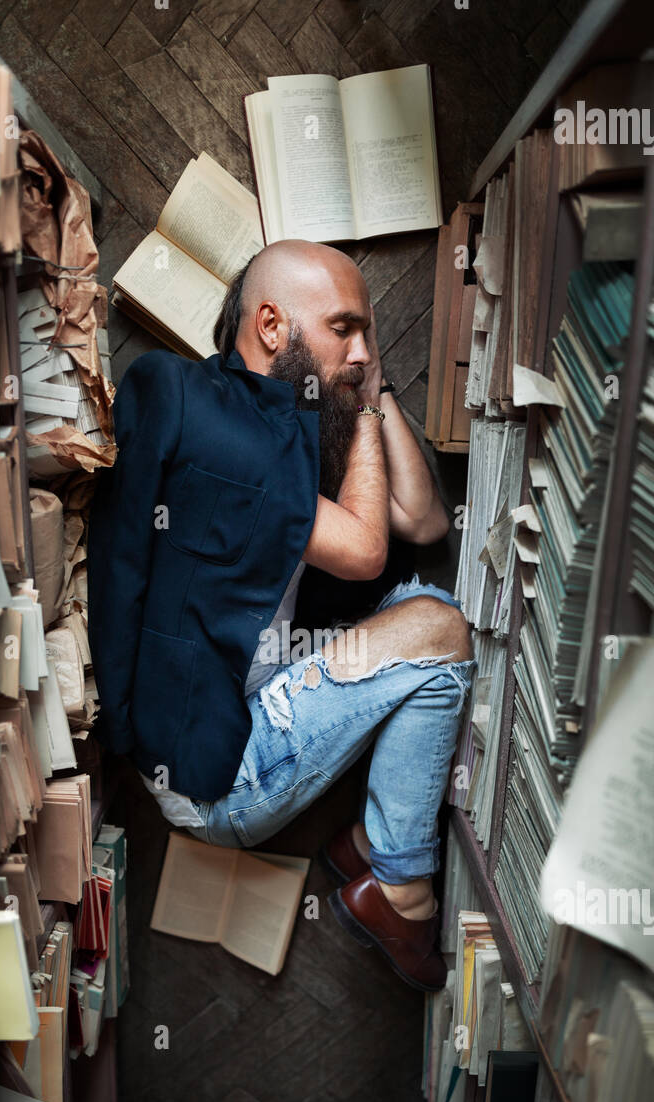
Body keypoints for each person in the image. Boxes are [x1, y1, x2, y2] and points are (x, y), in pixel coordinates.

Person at [88, 240, 475, 992]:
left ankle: (374, 848)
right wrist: (363, 406)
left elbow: (423, 525)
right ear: (272, 326)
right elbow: (367, 549)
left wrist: (367, 390)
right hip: (220, 776)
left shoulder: (265, 420)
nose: (364, 351)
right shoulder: (229, 441)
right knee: (440, 631)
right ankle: (400, 887)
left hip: (240, 689)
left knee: (426, 611)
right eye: (345, 329)